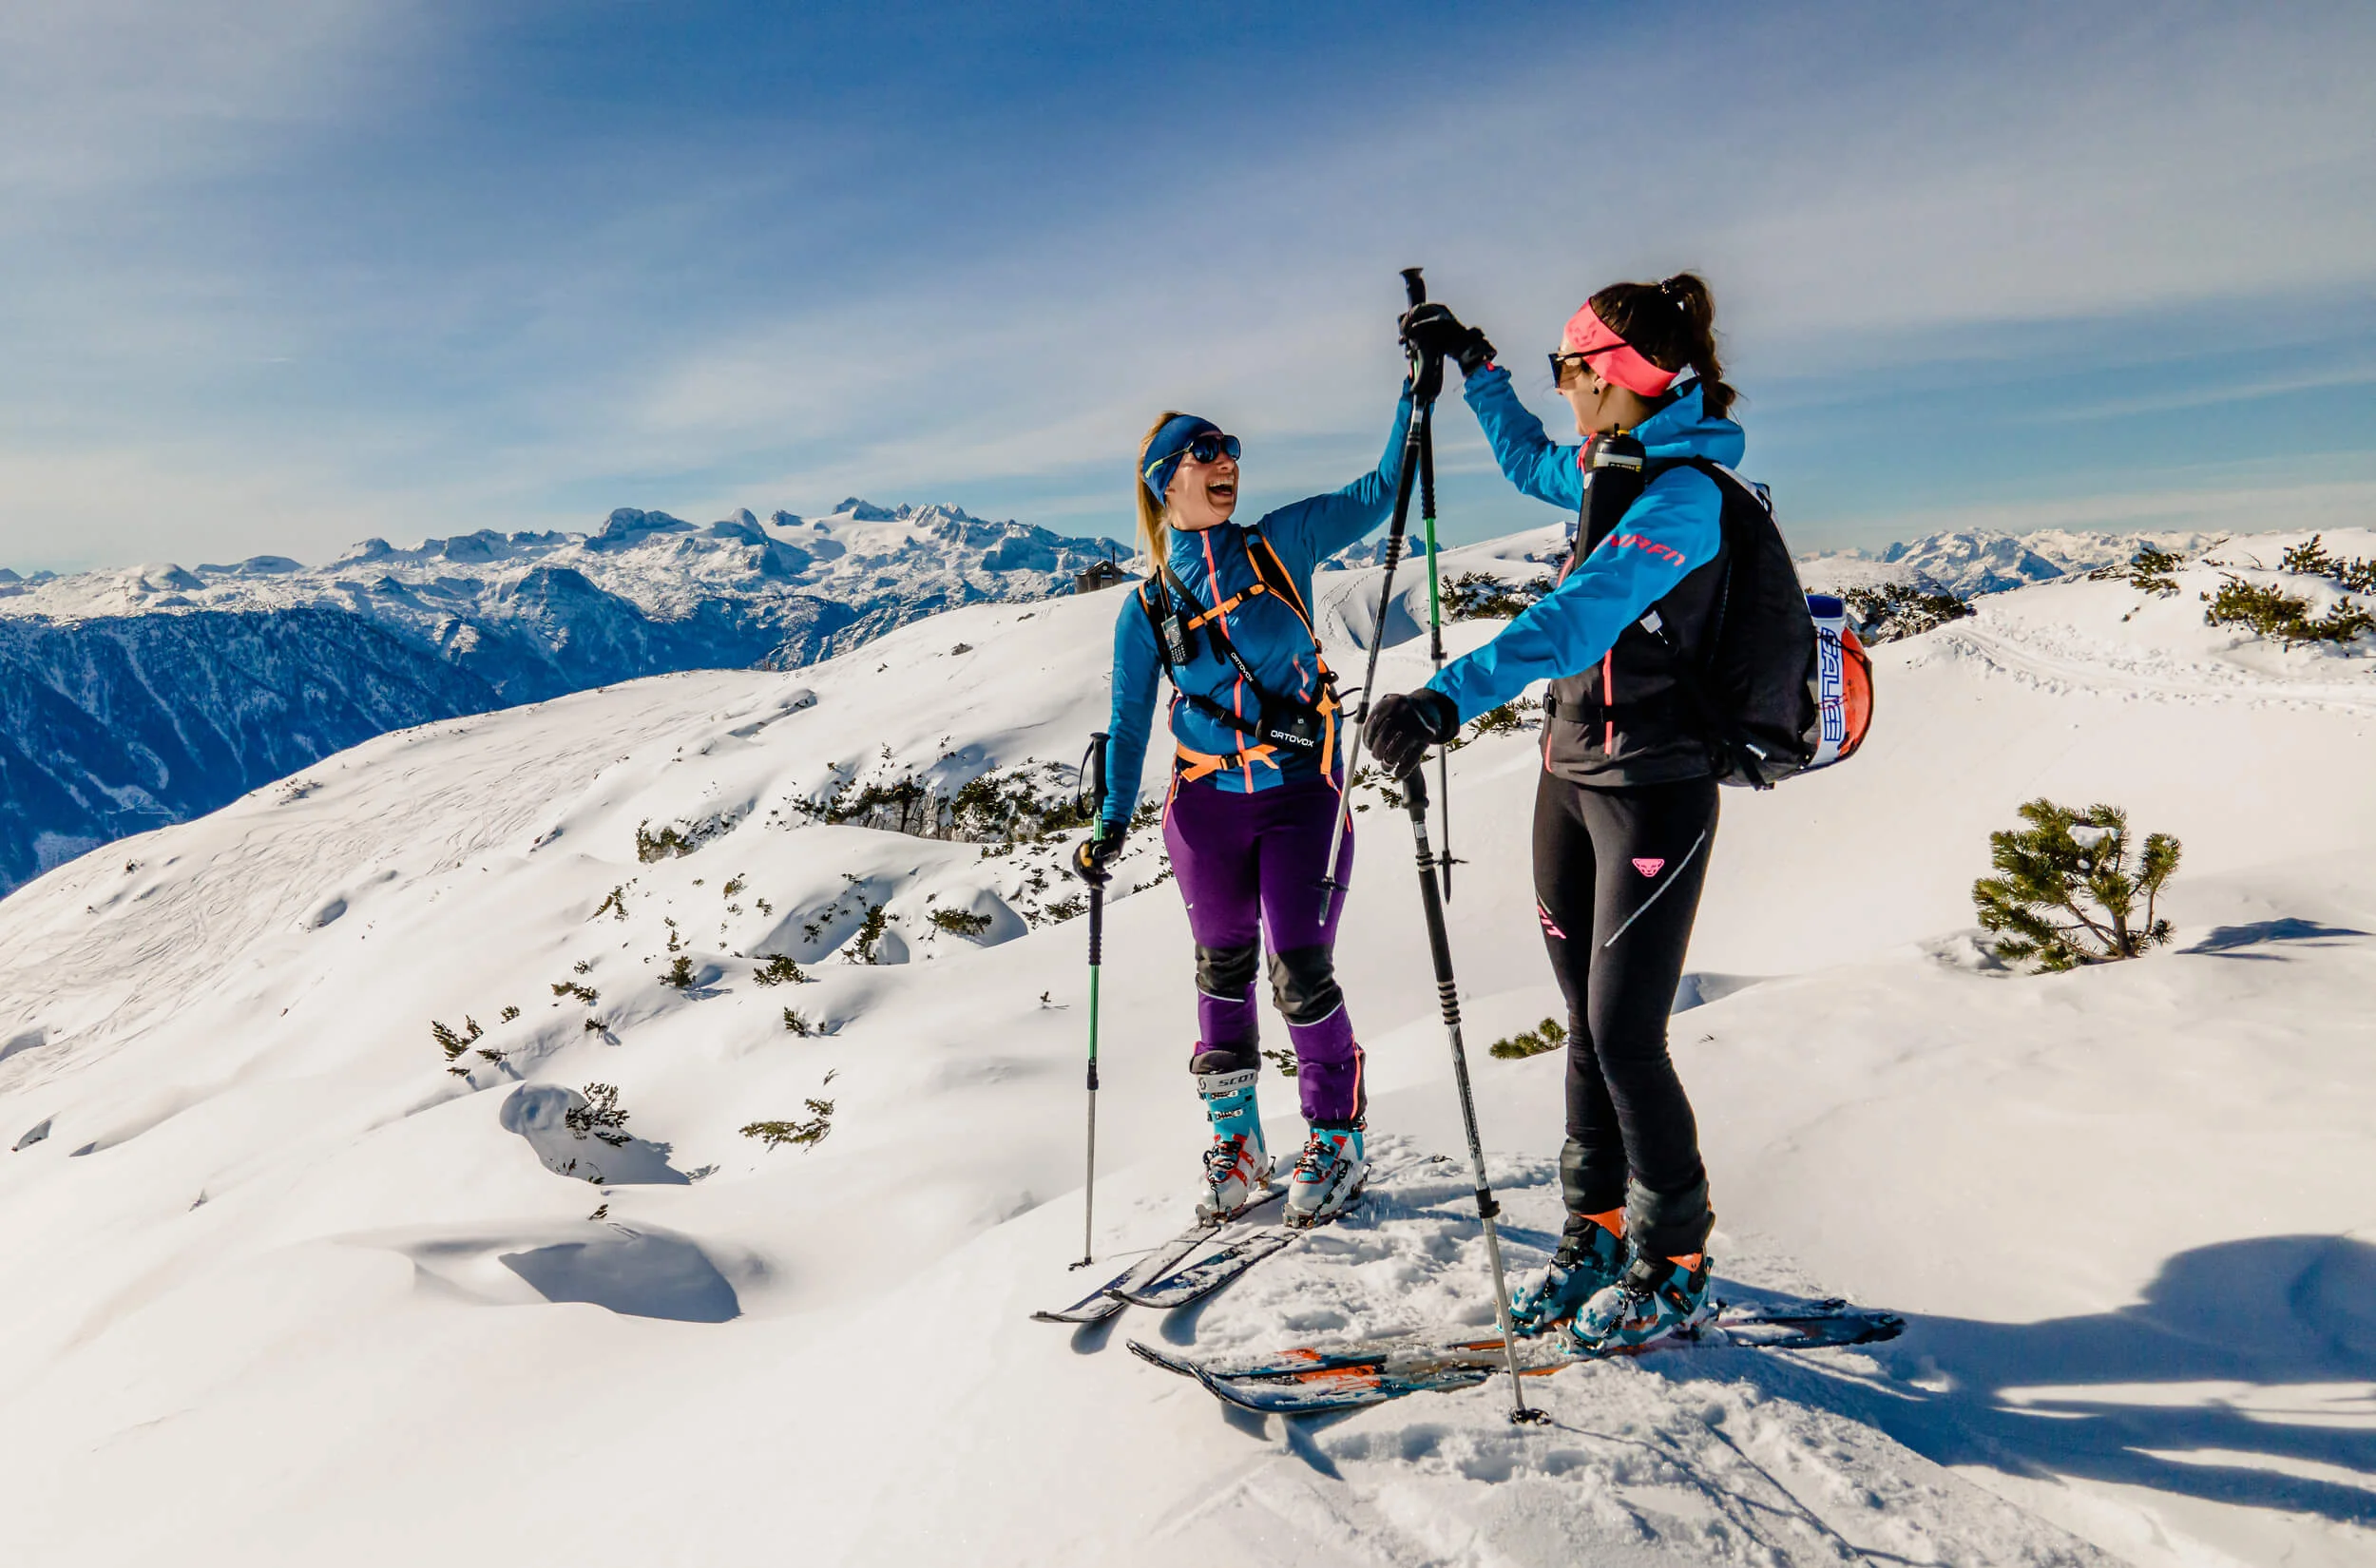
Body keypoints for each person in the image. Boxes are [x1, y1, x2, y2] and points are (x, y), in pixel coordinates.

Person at [1368, 275, 1747, 1350]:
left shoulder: (1684, 498)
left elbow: (1579, 619)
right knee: (1584, 1025)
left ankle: (1674, 1251)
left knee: (1628, 1035)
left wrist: (1448, 694)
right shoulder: (1607, 468)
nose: (1562, 392)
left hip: (1653, 792)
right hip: (1568, 777)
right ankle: (1593, 1226)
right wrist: (1475, 366)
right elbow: (1529, 458)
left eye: (1564, 371)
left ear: (1608, 375)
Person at [1072, 375, 1413, 1231]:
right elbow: (1128, 720)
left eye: (1230, 450)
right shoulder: (1146, 606)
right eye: (1206, 452)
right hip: (1205, 809)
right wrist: (1110, 823)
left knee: (1300, 973)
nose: (1227, 462)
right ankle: (1240, 1144)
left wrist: (1414, 391)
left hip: (1304, 797)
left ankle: (1335, 1136)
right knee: (1221, 973)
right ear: (1165, 480)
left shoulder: (1280, 544)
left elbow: (1380, 492)